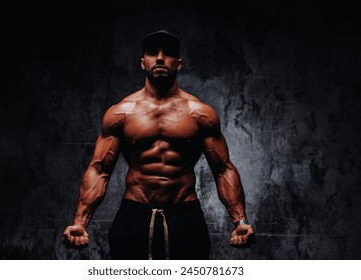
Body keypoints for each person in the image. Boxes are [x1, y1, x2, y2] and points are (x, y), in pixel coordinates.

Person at [62, 30, 255, 260]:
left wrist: (240, 221)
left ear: (179, 64)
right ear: (143, 63)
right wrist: (80, 223)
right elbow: (99, 169)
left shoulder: (200, 114)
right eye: (153, 53)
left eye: (169, 53)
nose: (161, 58)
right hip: (134, 218)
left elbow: (222, 169)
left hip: (185, 219)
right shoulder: (121, 113)